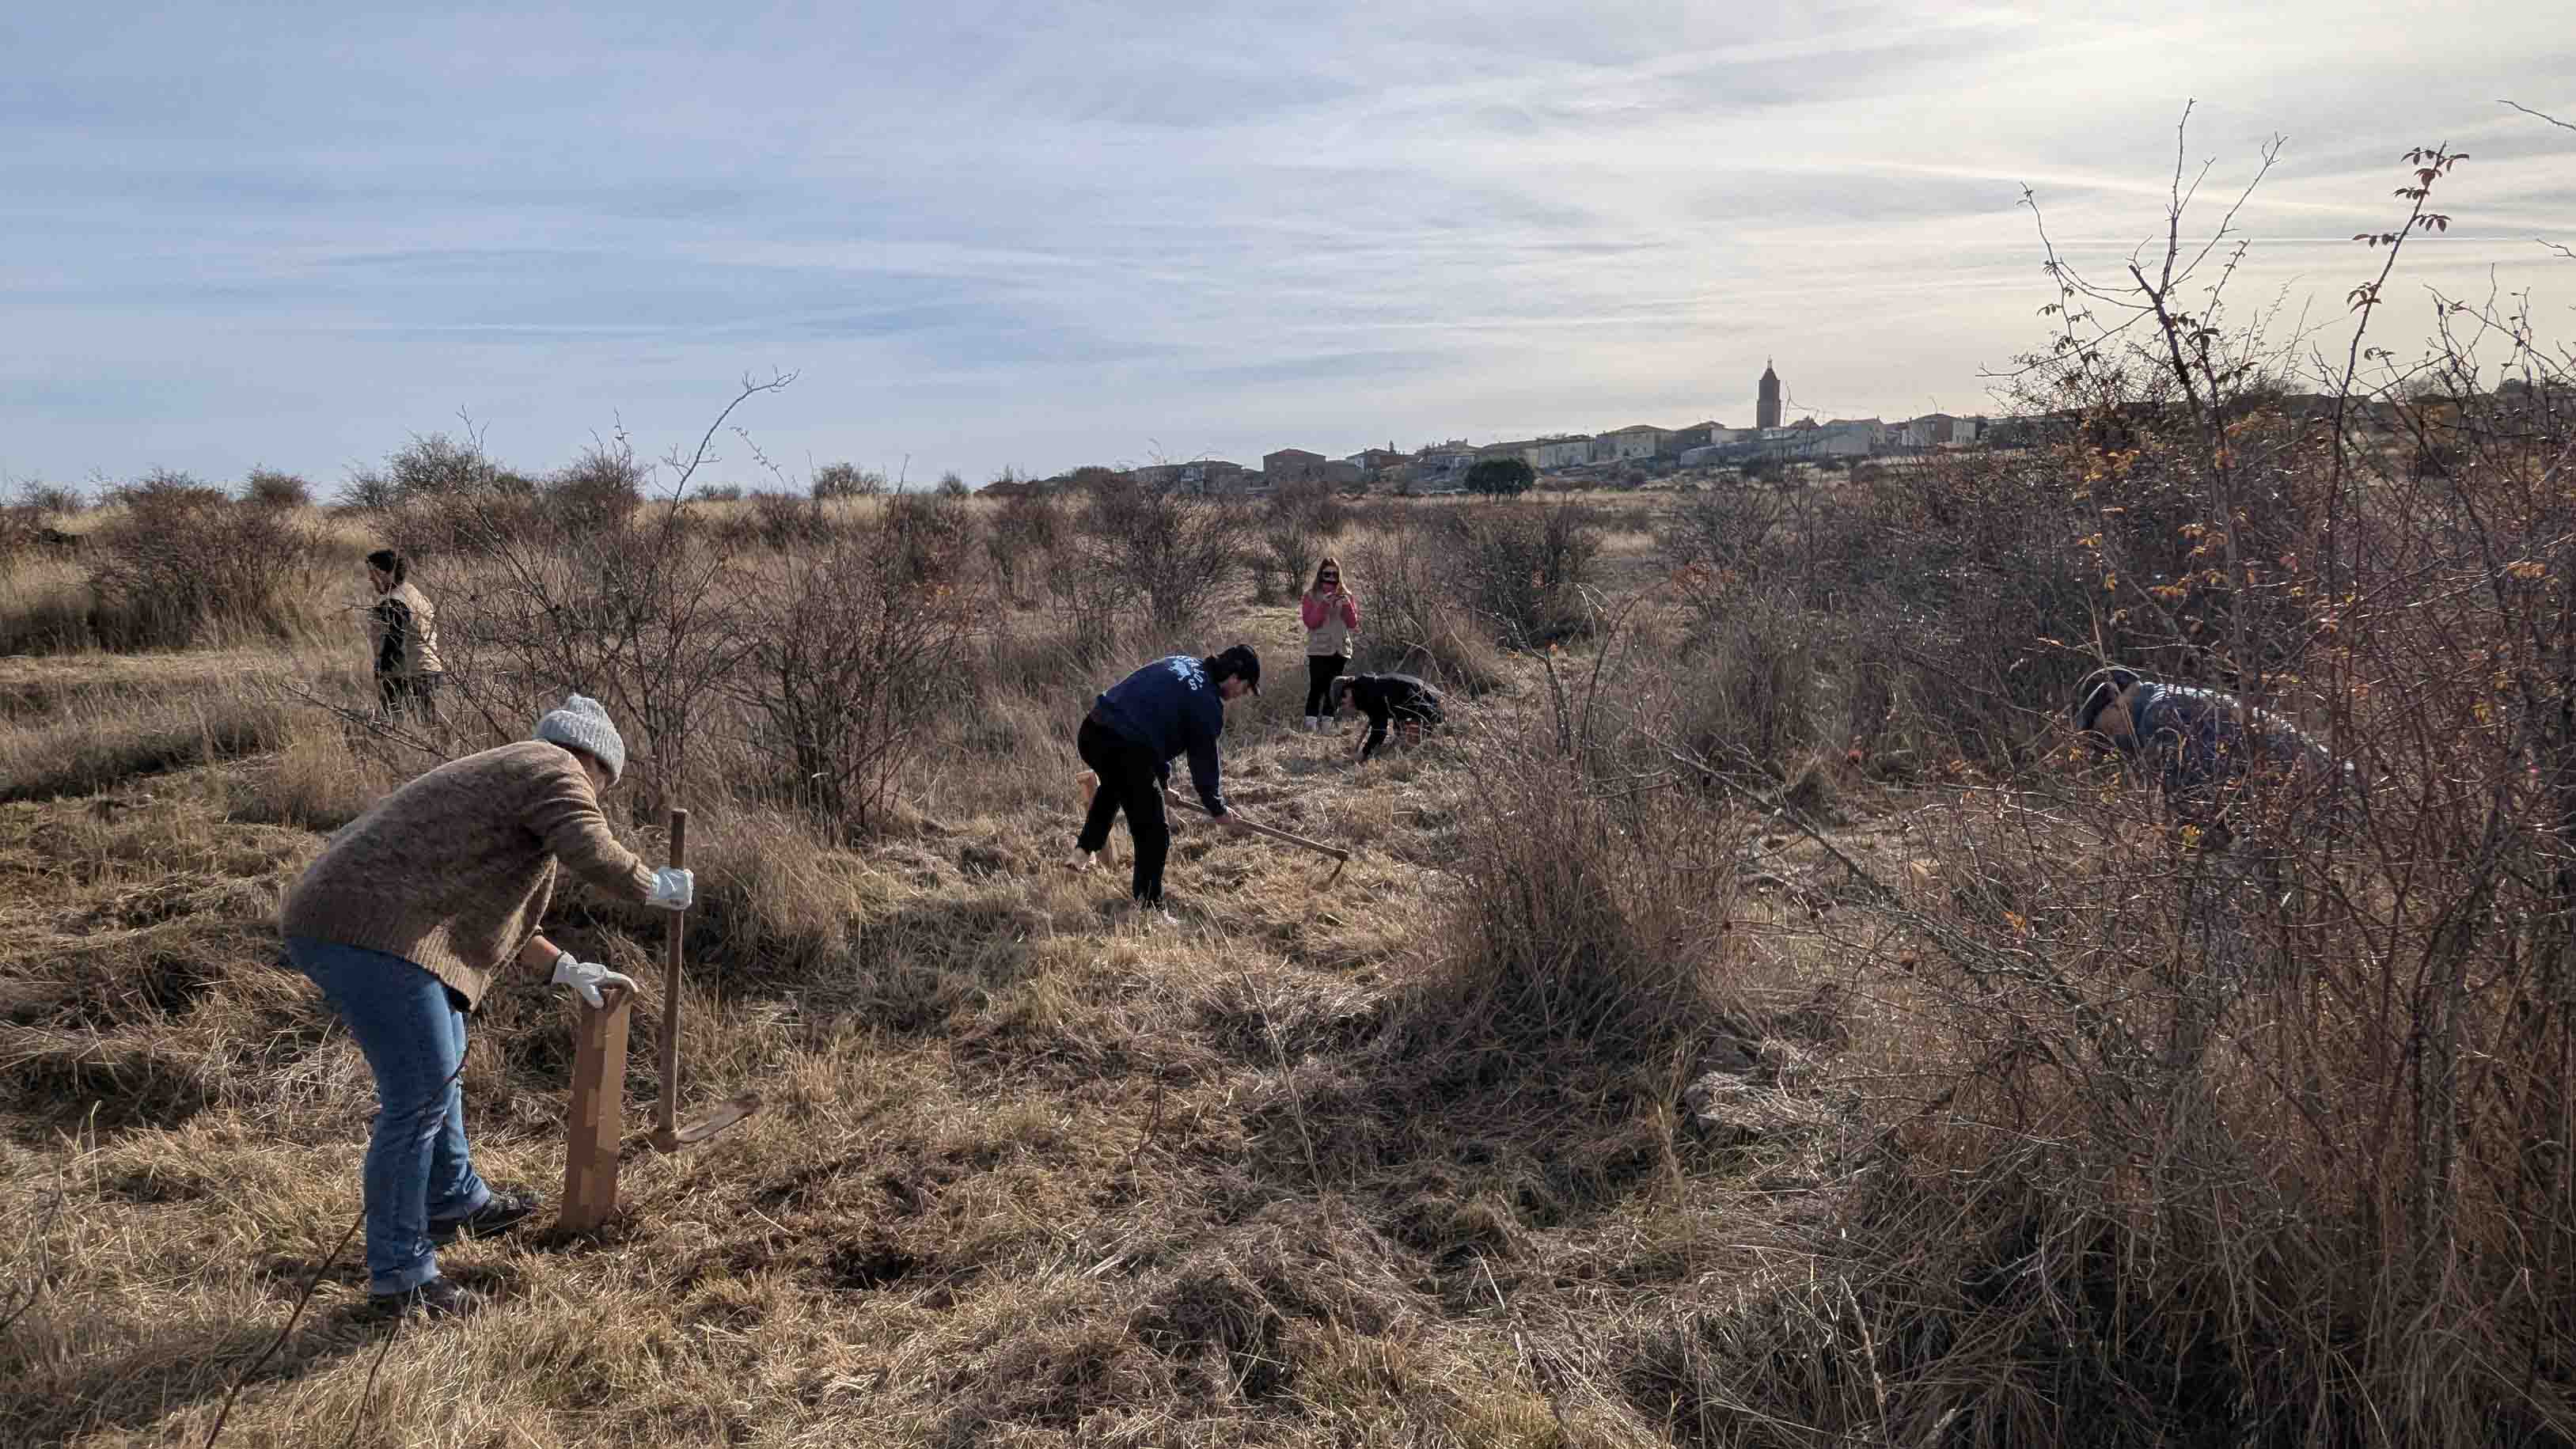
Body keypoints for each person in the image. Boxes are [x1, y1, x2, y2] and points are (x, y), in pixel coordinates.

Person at [279, 694, 693, 1318]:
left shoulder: (512, 778)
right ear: (596, 763)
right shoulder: (551, 767)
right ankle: (401, 1278)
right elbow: (591, 846)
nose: (597, 795)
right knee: (418, 1097)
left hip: (367, 923)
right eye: (602, 784)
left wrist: (564, 967)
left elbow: (493, 906)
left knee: (441, 1065)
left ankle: (454, 1199)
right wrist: (650, 884)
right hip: (368, 929)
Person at [1072, 646, 1261, 916]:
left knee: (1118, 784)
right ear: (1234, 677)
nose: (1240, 695)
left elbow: (1153, 727)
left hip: (1093, 731)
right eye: (1244, 688)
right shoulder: (1207, 704)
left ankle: (1083, 850)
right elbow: (1203, 762)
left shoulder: (1183, 663)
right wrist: (1216, 808)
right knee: (1155, 833)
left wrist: (1164, 785)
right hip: (1125, 745)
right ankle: (1149, 909)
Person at [2074, 668, 2347, 821]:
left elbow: (2205, 794)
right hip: (2325, 786)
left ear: (2116, 703)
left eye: (2103, 727)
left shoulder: (2160, 714)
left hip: (2328, 796)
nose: (2109, 737)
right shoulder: (2166, 701)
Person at [366, 548, 444, 725]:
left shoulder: (393, 602)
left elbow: (394, 644)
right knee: (429, 726)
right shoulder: (413, 592)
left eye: (373, 573)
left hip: (406, 674)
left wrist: (381, 674)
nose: (371, 579)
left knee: (397, 727)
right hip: (429, 668)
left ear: (387, 573)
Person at [1299, 558, 1360, 733]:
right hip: (1319, 649)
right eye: (1327, 574)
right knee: (1317, 688)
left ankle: (1327, 725)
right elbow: (1311, 622)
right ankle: (1310, 726)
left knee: (1334, 689)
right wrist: (1325, 604)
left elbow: (1352, 624)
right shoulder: (1310, 596)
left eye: (1335, 574)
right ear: (1321, 574)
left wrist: (1347, 606)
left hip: (1340, 649)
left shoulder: (1347, 595)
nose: (1331, 578)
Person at [1334, 671, 1445, 763]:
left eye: (1342, 703)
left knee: (1409, 740)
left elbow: (1379, 731)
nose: (1346, 707)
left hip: (1432, 705)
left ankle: (1423, 757)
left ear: (1348, 691)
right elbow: (1389, 715)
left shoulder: (1370, 694)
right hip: (1427, 700)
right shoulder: (1368, 688)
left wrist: (1363, 754)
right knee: (1399, 738)